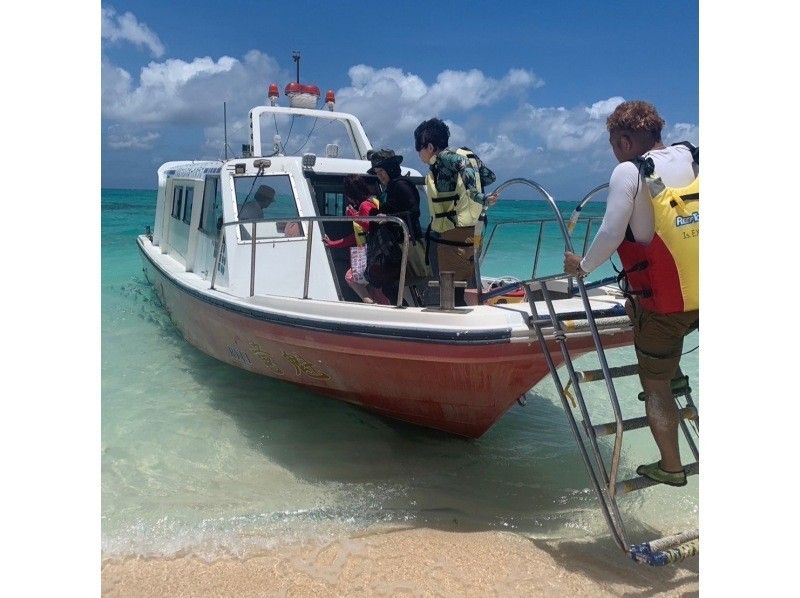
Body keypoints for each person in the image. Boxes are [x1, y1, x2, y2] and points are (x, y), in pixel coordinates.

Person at [563, 100, 699, 487]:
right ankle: (675, 378)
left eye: (612, 145)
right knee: (667, 335)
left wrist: (583, 266)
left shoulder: (629, 172)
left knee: (653, 385)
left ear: (624, 141)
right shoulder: (693, 158)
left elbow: (609, 234)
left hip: (666, 306)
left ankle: (671, 466)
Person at [413, 118, 499, 306]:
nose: (418, 155)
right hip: (473, 233)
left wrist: (477, 195)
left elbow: (461, 165)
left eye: (418, 149)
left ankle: (455, 327)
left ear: (429, 147)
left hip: (451, 237)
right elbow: (489, 176)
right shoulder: (468, 156)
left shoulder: (445, 158)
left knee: (450, 293)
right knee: (460, 289)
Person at [366, 149, 428, 303]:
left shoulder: (400, 185)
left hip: (402, 242)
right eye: (377, 172)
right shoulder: (391, 187)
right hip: (395, 244)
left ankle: (406, 314)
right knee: (390, 285)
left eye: (382, 171)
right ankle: (406, 312)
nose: (379, 175)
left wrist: (388, 218)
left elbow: (414, 212)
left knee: (391, 285)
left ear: (391, 169)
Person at [323, 175, 390, 304]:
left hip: (370, 253)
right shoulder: (374, 201)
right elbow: (360, 235)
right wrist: (333, 243)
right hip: (378, 252)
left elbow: (370, 226)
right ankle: (385, 313)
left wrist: (353, 216)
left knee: (351, 278)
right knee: (376, 290)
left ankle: (370, 305)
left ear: (351, 193)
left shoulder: (364, 206)